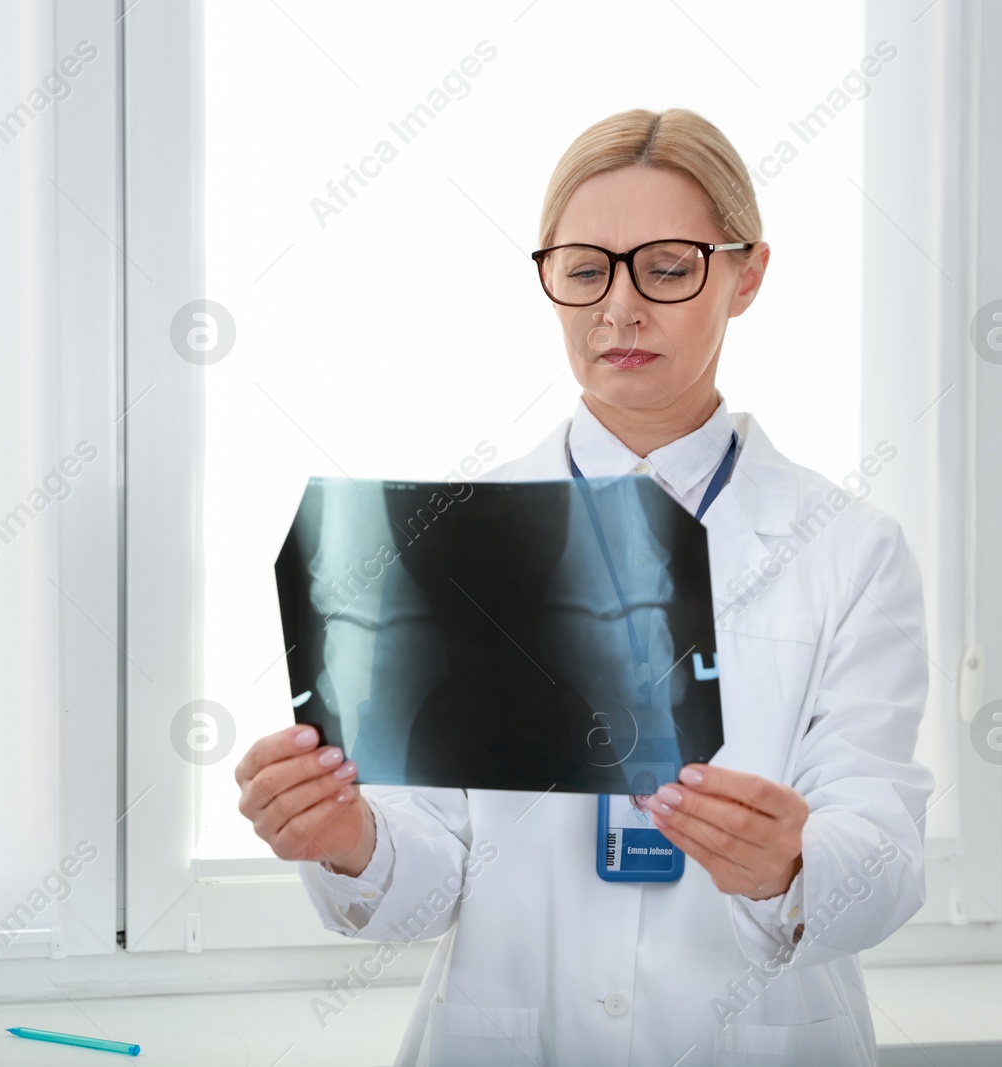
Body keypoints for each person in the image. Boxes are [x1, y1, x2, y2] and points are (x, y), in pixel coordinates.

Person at [234, 107, 934, 1067]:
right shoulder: (451, 540)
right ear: (551, 279)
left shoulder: (851, 550)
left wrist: (797, 864)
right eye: (585, 267)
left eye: (670, 265)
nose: (620, 308)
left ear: (747, 275)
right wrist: (347, 833)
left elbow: (886, 848)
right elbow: (427, 876)